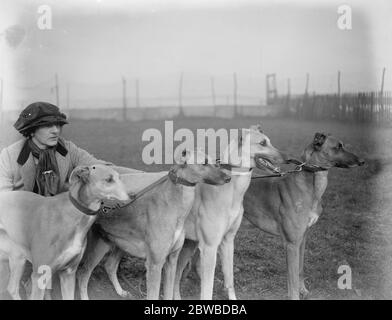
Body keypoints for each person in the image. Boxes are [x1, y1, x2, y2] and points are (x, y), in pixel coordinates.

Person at [0, 101, 141, 298]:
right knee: (14, 282)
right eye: (48, 125)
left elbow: (100, 167)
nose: (55, 130)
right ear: (31, 130)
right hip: (21, 232)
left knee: (60, 282)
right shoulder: (9, 156)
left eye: (58, 125)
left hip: (60, 229)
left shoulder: (67, 150)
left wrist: (146, 177)